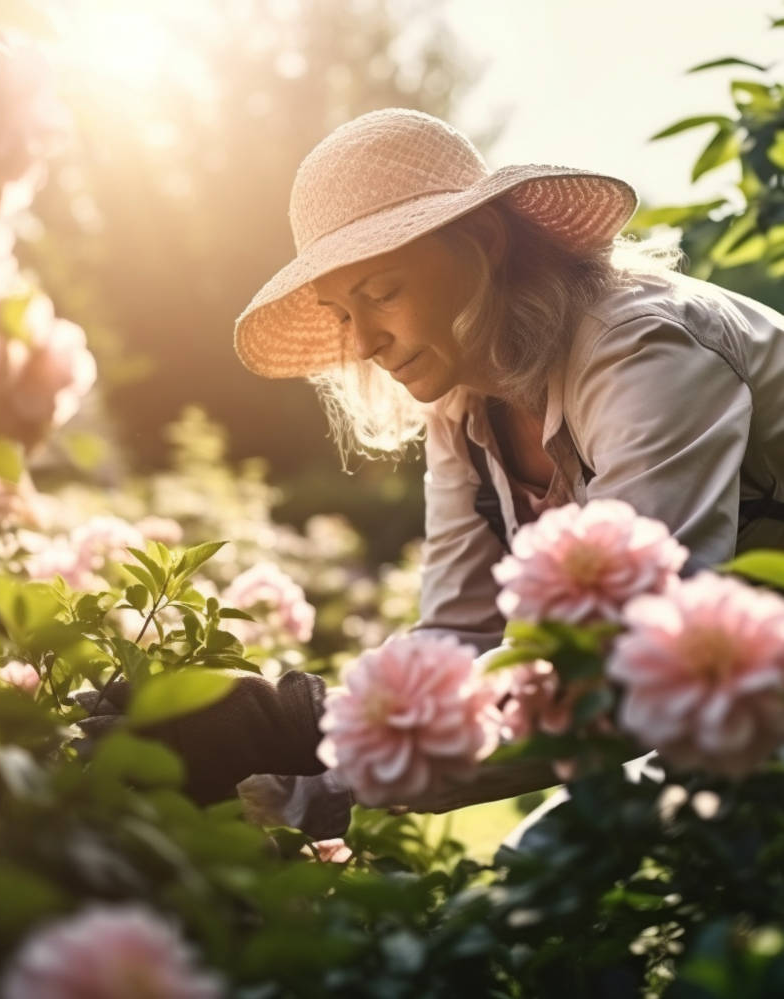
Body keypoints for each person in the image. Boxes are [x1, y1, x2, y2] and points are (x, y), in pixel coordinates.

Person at [83, 108, 784, 836]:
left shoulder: (641, 351)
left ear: (481, 243)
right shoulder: (463, 401)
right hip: (749, 700)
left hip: (739, 693)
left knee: (553, 898)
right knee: (534, 888)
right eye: (340, 313)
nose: (366, 341)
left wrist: (298, 723)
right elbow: (458, 635)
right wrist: (276, 775)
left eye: (382, 292)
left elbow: (644, 657)